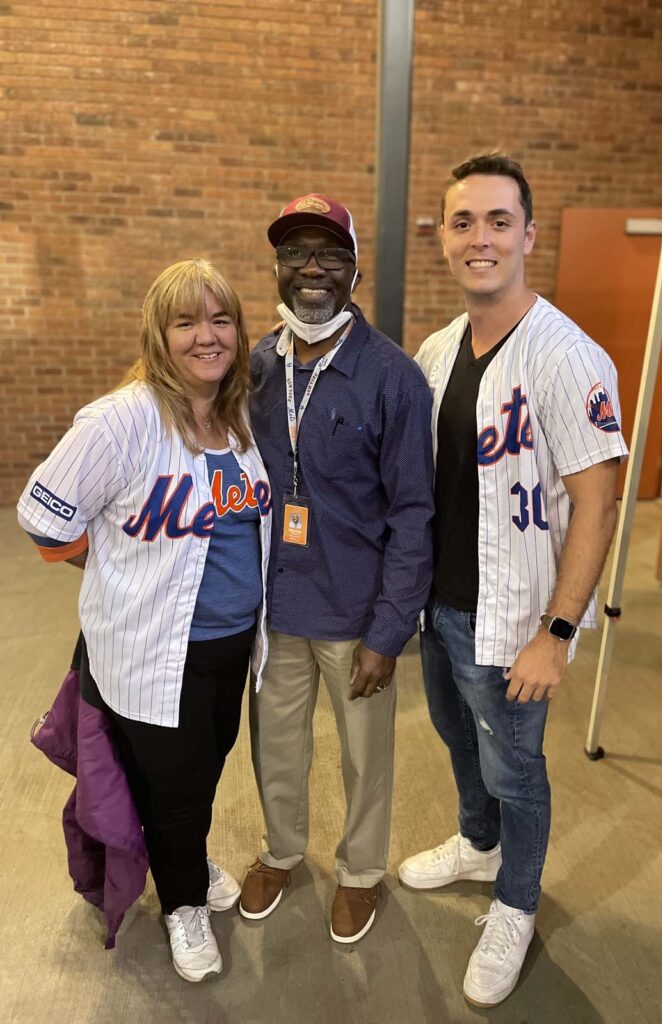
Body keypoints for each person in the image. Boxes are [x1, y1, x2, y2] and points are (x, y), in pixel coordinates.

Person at [398, 155, 629, 1007]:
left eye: (499, 221)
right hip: (443, 607)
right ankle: (476, 844)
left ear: (528, 235)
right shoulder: (435, 349)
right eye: (464, 223)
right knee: (462, 743)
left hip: (518, 622)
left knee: (518, 770)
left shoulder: (569, 358)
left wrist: (558, 633)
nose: (480, 238)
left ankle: (515, 903)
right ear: (446, 240)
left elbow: (597, 505)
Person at [17, 259, 272, 983]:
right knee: (175, 786)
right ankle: (182, 904)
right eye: (186, 321)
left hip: (229, 647)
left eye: (220, 319)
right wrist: (111, 570)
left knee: (202, 771)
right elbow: (43, 516)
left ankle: (181, 857)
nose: (206, 336)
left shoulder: (239, 417)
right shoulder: (121, 420)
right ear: (159, 335)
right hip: (153, 651)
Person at [243, 193, 434, 943]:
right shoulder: (255, 366)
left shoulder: (393, 378)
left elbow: (414, 513)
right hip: (274, 608)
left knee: (366, 757)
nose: (312, 269)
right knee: (276, 745)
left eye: (329, 254)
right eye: (296, 255)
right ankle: (283, 849)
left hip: (357, 615)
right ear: (278, 269)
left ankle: (359, 871)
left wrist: (390, 632)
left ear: (355, 268)